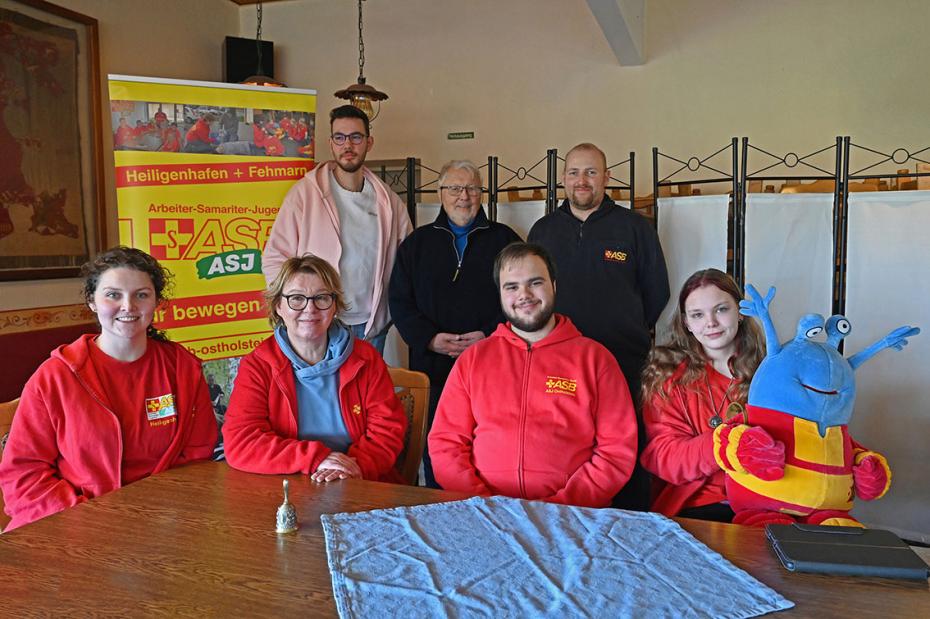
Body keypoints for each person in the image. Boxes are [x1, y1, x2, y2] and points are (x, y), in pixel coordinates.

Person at [0, 247, 218, 531]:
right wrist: (91, 519)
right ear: (92, 301)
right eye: (113, 294)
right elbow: (23, 475)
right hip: (78, 525)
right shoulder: (54, 377)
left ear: (157, 302)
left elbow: (197, 458)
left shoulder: (183, 369)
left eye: (142, 295)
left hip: (163, 524)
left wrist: (161, 517)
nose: (128, 306)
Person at [428, 243, 638, 507]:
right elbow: (445, 444)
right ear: (500, 294)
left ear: (554, 285)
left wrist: (561, 507)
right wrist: (484, 505)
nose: (524, 294)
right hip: (484, 514)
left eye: (535, 282)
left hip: (573, 515)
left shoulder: (596, 360)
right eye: (512, 287)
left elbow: (617, 452)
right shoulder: (472, 360)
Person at [528, 142, 670, 510]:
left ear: (607, 178)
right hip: (557, 362)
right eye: (574, 173)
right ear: (563, 179)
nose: (582, 181)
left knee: (626, 445)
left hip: (623, 360)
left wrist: (626, 327)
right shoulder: (542, 231)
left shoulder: (635, 228)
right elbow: (531, 295)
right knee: (562, 442)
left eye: (591, 172)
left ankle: (632, 519)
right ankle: (565, 513)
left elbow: (657, 292)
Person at [389, 160, 520, 487]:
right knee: (438, 448)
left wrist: (489, 336)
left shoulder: (506, 241)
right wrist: (430, 339)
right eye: (456, 188)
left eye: (473, 188)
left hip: (492, 364)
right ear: (440, 193)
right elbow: (400, 302)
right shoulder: (416, 245)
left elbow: (521, 301)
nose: (465, 196)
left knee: (492, 446)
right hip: (432, 367)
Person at [223, 255, 407, 483]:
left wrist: (349, 469)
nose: (310, 308)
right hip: (288, 482)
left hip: (360, 479)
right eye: (297, 298)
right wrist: (318, 459)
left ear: (335, 306)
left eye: (321, 298)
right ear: (278, 306)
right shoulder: (258, 364)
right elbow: (241, 442)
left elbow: (387, 432)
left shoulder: (366, 358)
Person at [262, 105, 412, 354]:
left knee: (366, 392)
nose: (348, 145)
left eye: (356, 137)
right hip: (320, 323)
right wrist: (295, 310)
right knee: (322, 392)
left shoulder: (389, 202)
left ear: (369, 142)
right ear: (331, 143)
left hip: (371, 326)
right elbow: (274, 258)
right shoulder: (305, 194)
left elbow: (408, 263)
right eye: (340, 137)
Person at [639, 269, 765, 521]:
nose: (711, 323)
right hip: (695, 507)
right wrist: (726, 445)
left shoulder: (772, 372)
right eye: (698, 314)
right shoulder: (667, 374)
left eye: (721, 309)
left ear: (740, 312)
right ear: (686, 322)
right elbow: (665, 458)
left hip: (763, 504)